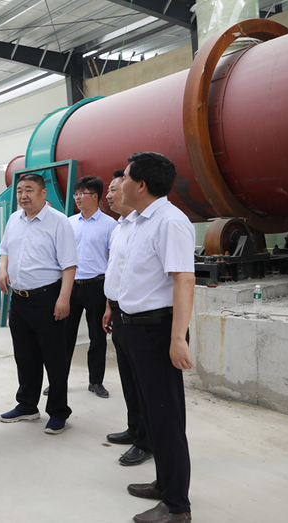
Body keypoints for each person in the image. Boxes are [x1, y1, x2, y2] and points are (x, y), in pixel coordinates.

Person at [118, 152, 195, 523]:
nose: (120, 183)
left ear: (141, 185)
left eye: (125, 177)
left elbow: (184, 280)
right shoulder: (139, 221)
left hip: (158, 330)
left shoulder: (170, 222)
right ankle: (165, 484)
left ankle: (177, 506)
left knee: (167, 418)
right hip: (135, 327)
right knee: (152, 412)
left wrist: (177, 338)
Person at [0, 173, 77, 435]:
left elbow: (69, 264)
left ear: (44, 193)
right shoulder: (14, 219)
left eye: (29, 190)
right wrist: (2, 268)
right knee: (25, 356)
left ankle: (58, 412)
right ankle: (27, 405)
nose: (23, 195)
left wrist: (64, 298)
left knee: (54, 359)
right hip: (19, 299)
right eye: (20, 190)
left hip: (48, 298)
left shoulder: (59, 222)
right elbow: (5, 249)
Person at [102, 170, 153, 466]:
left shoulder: (140, 226)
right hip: (119, 310)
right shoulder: (119, 227)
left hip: (137, 313)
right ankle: (134, 429)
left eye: (114, 189)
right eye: (108, 190)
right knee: (127, 376)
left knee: (141, 379)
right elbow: (116, 272)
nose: (109, 195)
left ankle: (146, 441)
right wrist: (110, 306)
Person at [63, 176, 116, 399]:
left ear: (95, 196)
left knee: (97, 336)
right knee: (64, 337)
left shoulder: (110, 225)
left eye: (82, 193)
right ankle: (59, 381)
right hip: (71, 286)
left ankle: (96, 381)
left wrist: (109, 300)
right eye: (76, 194)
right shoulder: (69, 223)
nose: (77, 198)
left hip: (97, 286)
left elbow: (113, 262)